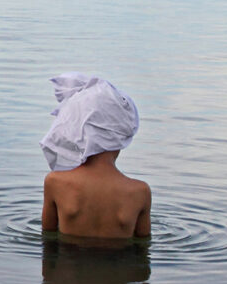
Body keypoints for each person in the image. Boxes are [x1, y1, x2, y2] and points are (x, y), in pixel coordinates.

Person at [40, 74, 151, 240]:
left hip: (69, 264)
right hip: (120, 264)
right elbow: (143, 247)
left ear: (77, 131)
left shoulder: (55, 182)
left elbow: (47, 239)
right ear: (121, 135)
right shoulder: (139, 192)